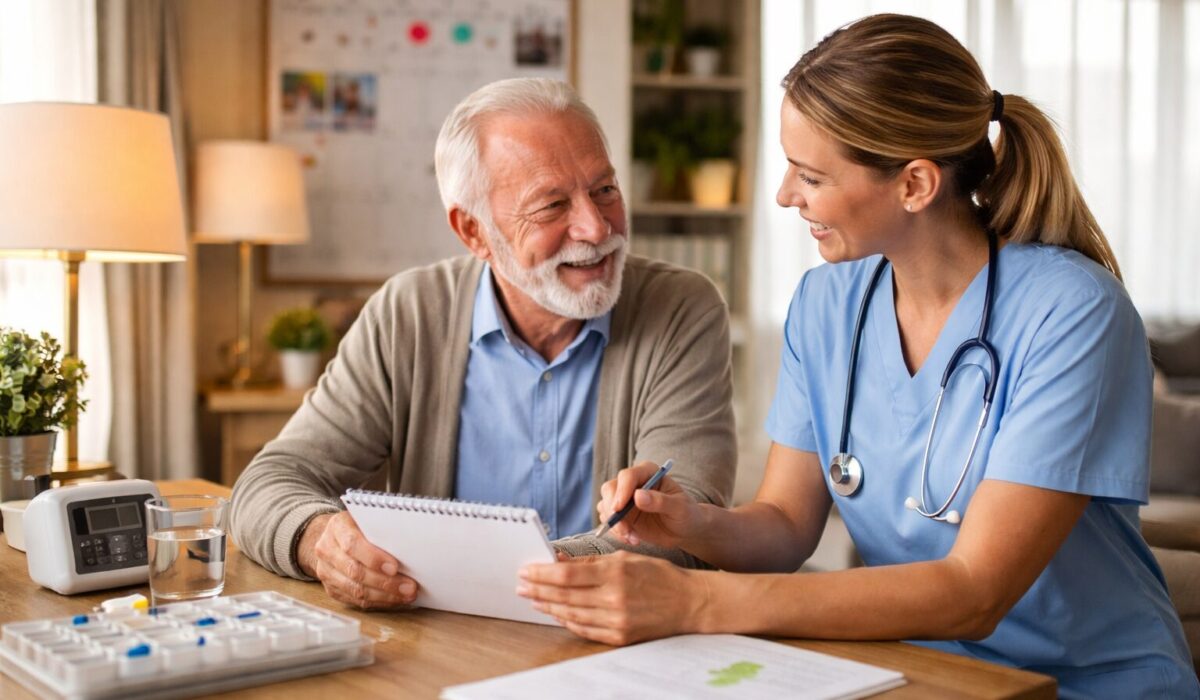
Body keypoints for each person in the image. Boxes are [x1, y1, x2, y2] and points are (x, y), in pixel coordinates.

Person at [517, 15, 1198, 698]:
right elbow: (785, 527)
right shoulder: (826, 303)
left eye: (810, 175)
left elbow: (975, 590)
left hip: (1086, 686)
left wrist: (695, 600)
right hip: (923, 678)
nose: (785, 194)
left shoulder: (1072, 313)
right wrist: (693, 524)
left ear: (915, 185)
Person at [230, 78, 736, 610]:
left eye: (604, 189)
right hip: (442, 650)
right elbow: (267, 484)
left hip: (610, 649)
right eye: (552, 205)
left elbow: (691, 524)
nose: (595, 226)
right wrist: (320, 540)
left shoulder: (682, 307)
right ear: (473, 232)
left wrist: (516, 577)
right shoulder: (408, 313)